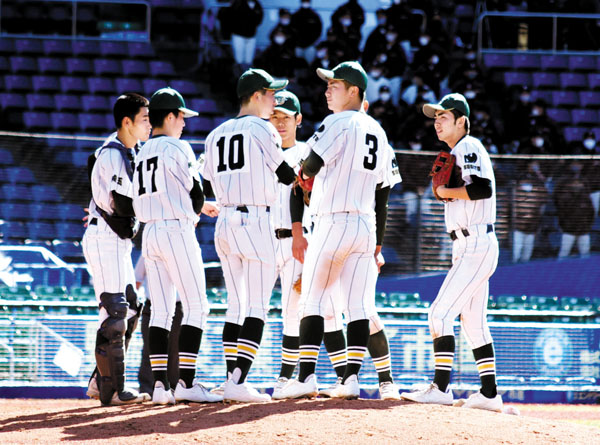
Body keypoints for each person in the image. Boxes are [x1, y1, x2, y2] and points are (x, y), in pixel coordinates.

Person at [275, 61, 395, 400]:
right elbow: (383, 194)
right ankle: (350, 379)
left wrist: (303, 173)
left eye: (334, 85)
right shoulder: (379, 132)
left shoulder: (337, 121)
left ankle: (306, 378)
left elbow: (310, 166)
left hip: (332, 221)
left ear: (353, 91)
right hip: (365, 224)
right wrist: (378, 244)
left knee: (312, 300)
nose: (327, 90)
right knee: (357, 306)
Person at [399, 93, 503, 412]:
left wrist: (446, 190)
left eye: (444, 116)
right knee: (473, 323)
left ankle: (441, 388)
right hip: (470, 244)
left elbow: (482, 188)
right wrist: (451, 192)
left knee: (439, 314)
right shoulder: (458, 151)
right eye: (435, 117)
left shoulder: (468, 146)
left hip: (475, 243)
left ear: (462, 121)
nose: (437, 122)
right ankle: (489, 395)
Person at [202, 68, 296, 403]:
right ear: (256, 95)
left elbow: (203, 178)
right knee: (256, 305)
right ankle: (238, 381)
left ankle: (231, 379)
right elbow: (285, 174)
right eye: (271, 94)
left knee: (235, 305)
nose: (275, 100)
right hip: (255, 219)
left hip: (225, 219)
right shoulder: (262, 127)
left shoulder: (216, 134)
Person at [132, 87, 222, 405]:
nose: (184, 123)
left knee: (160, 311)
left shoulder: (141, 151)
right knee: (198, 306)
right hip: (176, 231)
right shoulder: (178, 147)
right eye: (182, 117)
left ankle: (160, 387)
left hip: (150, 233)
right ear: (169, 116)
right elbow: (195, 194)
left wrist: (194, 207)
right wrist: (196, 209)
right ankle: (186, 382)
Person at [82, 92, 151, 406]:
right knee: (115, 311)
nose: (149, 124)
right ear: (127, 122)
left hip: (117, 239)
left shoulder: (131, 151)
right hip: (104, 238)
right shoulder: (112, 152)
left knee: (132, 307)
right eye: (144, 119)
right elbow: (123, 204)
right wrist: (153, 208)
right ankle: (114, 390)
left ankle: (100, 381)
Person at [266, 90, 312, 398]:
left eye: (286, 117)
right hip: (263, 238)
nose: (280, 123)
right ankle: (236, 376)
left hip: (299, 240)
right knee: (249, 307)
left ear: (298, 119)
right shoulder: (260, 150)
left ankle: (286, 377)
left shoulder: (309, 154)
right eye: (274, 116)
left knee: (293, 309)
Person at [554, 161, 595, 258]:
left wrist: (587, 226)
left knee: (585, 254)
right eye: (575, 183)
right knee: (563, 254)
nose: (577, 185)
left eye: (579, 183)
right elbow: (561, 212)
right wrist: (564, 226)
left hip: (583, 230)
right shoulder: (564, 197)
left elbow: (591, 213)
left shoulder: (586, 199)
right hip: (569, 230)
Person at [512, 161, 548, 263]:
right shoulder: (516, 194)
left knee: (527, 254)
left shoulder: (537, 193)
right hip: (518, 228)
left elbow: (544, 197)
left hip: (532, 228)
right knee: (516, 253)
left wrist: (540, 176)